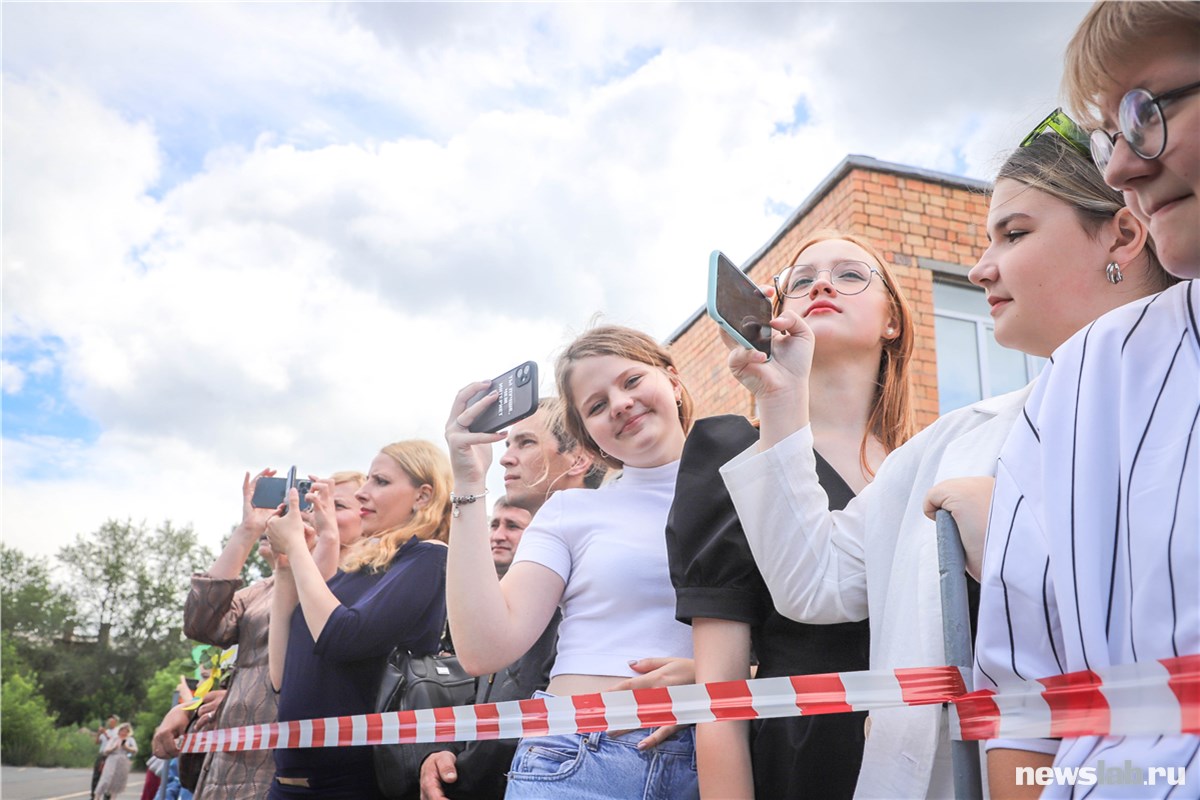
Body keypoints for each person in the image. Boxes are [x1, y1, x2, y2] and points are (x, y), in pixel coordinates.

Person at [720, 121, 1174, 797]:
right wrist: (782, 403)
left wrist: (1010, 541)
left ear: (1124, 236)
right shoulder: (953, 439)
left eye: (1014, 235)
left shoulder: (1178, 404)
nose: (980, 268)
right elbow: (814, 583)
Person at [964, 3, 1199, 796]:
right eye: (1109, 137)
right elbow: (1021, 702)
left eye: (1148, 112)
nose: (1122, 168)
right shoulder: (1085, 383)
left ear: (1119, 245)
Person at [668, 231, 915, 797]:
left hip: (926, 756)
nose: (823, 284)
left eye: (851, 274)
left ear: (892, 320)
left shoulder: (923, 461)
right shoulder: (730, 451)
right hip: (805, 759)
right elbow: (720, 699)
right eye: (801, 281)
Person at [444, 326, 699, 799]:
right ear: (591, 438)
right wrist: (467, 480)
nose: (619, 404)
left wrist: (715, 672)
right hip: (578, 761)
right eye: (596, 406)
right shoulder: (570, 512)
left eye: (631, 381)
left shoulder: (749, 484)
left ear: (673, 380)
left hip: (718, 755)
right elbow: (484, 648)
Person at [420, 400, 603, 800]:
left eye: (525, 443)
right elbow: (488, 672)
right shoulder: (539, 558)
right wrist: (452, 751)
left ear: (578, 459)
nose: (505, 458)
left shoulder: (599, 556)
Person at [266, 441, 450, 799]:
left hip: (353, 784)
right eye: (367, 481)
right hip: (287, 782)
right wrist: (285, 566)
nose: (364, 493)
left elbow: (341, 638)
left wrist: (299, 550)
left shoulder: (428, 558)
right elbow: (279, 676)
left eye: (380, 482)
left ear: (423, 496)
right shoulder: (360, 568)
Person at [93, 722, 137, 800]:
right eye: (122, 730)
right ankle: (97, 797)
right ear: (119, 730)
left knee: (117, 780)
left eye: (126, 730)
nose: (124, 732)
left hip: (123, 760)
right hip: (112, 759)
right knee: (106, 779)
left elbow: (135, 750)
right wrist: (113, 748)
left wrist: (126, 748)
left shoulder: (130, 739)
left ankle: (113, 798)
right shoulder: (114, 738)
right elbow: (106, 750)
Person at [92, 715, 119, 798]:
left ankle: (107, 796)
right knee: (97, 775)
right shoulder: (106, 731)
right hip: (102, 755)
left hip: (110, 756)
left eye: (111, 722)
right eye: (108, 722)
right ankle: (94, 795)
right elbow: (97, 742)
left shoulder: (117, 732)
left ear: (115, 723)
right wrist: (98, 733)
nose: (109, 723)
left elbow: (113, 742)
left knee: (108, 777)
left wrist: (105, 733)